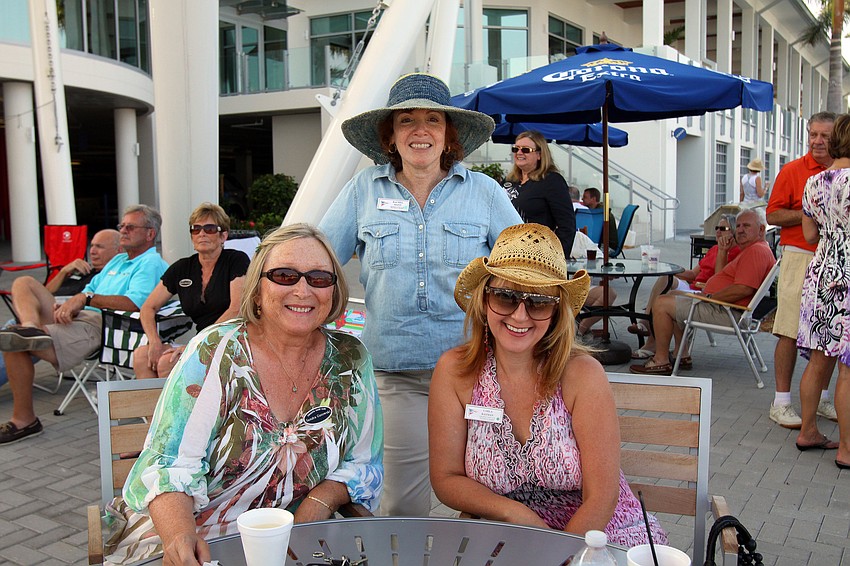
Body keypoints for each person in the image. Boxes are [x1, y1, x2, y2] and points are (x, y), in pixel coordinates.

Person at [102, 224, 384, 565]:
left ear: (333, 291)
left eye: (319, 278)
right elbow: (168, 462)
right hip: (198, 532)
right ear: (257, 289)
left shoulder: (350, 358)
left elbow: (363, 463)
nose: (303, 289)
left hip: (294, 540)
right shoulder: (216, 351)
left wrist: (318, 503)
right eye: (284, 275)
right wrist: (180, 536)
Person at [319, 72, 521, 517]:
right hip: (397, 373)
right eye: (406, 120)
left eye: (432, 119)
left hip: (476, 369)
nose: (420, 130)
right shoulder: (362, 190)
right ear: (390, 135)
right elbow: (320, 262)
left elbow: (525, 267)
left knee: (489, 494)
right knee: (402, 504)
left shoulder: (484, 193)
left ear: (448, 134)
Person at [429, 223, 667, 546]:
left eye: (538, 302)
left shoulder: (582, 375)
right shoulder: (455, 372)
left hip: (598, 536)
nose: (520, 315)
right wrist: (515, 514)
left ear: (556, 311)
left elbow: (602, 498)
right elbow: (445, 479)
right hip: (509, 534)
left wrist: (556, 555)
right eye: (505, 297)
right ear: (485, 300)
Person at [0, 205, 167, 444]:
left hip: (101, 325)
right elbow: (89, 289)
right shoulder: (119, 260)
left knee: (13, 341)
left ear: (150, 233)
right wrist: (67, 305)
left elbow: (135, 303)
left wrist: (84, 300)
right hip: (78, 315)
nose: (123, 231)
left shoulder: (149, 264)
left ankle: (24, 420)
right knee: (24, 283)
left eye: (131, 227)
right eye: (122, 226)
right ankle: (31, 327)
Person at [630, 208, 775, 375]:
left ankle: (660, 360)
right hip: (726, 308)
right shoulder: (756, 249)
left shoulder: (756, 251)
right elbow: (725, 279)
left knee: (662, 304)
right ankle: (681, 354)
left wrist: (709, 297)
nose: (740, 230)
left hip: (727, 312)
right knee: (672, 297)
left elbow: (743, 289)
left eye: (746, 226)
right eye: (739, 225)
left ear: (762, 229)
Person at [766, 112, 838, 429]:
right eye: (813, 134)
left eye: (825, 135)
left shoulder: (841, 171)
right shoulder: (793, 170)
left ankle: (821, 398)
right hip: (799, 255)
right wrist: (810, 211)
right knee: (789, 329)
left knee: (830, 332)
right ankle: (781, 401)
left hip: (833, 257)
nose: (818, 141)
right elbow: (773, 214)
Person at [133, 203, 249, 378]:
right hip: (201, 340)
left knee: (168, 363)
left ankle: (176, 405)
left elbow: (237, 309)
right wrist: (155, 341)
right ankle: (151, 406)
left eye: (209, 229)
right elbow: (148, 308)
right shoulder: (182, 268)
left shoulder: (236, 260)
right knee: (142, 356)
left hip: (230, 338)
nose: (201, 233)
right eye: (196, 229)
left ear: (223, 235)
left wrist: (196, 343)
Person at [795, 113, 850, 455]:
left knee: (819, 361)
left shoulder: (815, 182)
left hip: (822, 275)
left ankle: (808, 430)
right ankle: (846, 449)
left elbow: (809, 233)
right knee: (848, 367)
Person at [629, 214, 740, 358]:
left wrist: (722, 252)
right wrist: (669, 268)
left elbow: (719, 281)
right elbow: (693, 274)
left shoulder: (735, 252)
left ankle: (650, 336)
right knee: (665, 278)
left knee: (667, 300)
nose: (718, 231)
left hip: (705, 294)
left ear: (733, 231)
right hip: (693, 288)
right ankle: (647, 320)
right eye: (717, 228)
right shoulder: (714, 249)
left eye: (723, 228)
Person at [502, 130, 576, 254]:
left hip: (536, 255)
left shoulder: (552, 181)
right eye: (516, 149)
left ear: (539, 155)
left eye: (525, 150)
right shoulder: (509, 181)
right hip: (507, 253)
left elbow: (567, 225)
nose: (519, 153)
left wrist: (555, 256)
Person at [47, 229, 122, 296]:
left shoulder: (115, 276)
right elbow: (46, 293)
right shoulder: (83, 271)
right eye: (92, 246)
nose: (92, 251)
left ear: (118, 251)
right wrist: (63, 272)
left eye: (99, 247)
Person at [582, 187, 619, 251]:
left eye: (585, 197)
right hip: (604, 244)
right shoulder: (599, 210)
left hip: (607, 246)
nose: (582, 199)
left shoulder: (599, 213)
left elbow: (593, 233)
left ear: (593, 199)